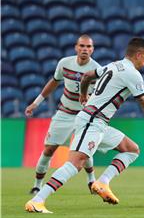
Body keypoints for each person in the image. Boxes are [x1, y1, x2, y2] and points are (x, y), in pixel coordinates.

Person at [25, 37, 144, 213]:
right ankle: (37, 200)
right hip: (92, 121)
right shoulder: (133, 74)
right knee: (75, 164)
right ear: (139, 54)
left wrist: (82, 95)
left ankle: (102, 183)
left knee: (131, 149)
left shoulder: (114, 64)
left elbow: (87, 75)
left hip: (98, 121)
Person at [25, 34, 100, 195]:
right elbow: (53, 82)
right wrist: (35, 103)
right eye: (82, 46)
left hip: (83, 116)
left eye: (88, 46)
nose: (85, 49)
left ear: (92, 49)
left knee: (84, 151)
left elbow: (99, 96)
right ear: (76, 47)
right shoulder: (65, 63)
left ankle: (91, 181)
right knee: (49, 150)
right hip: (64, 113)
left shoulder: (96, 70)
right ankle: (37, 184)